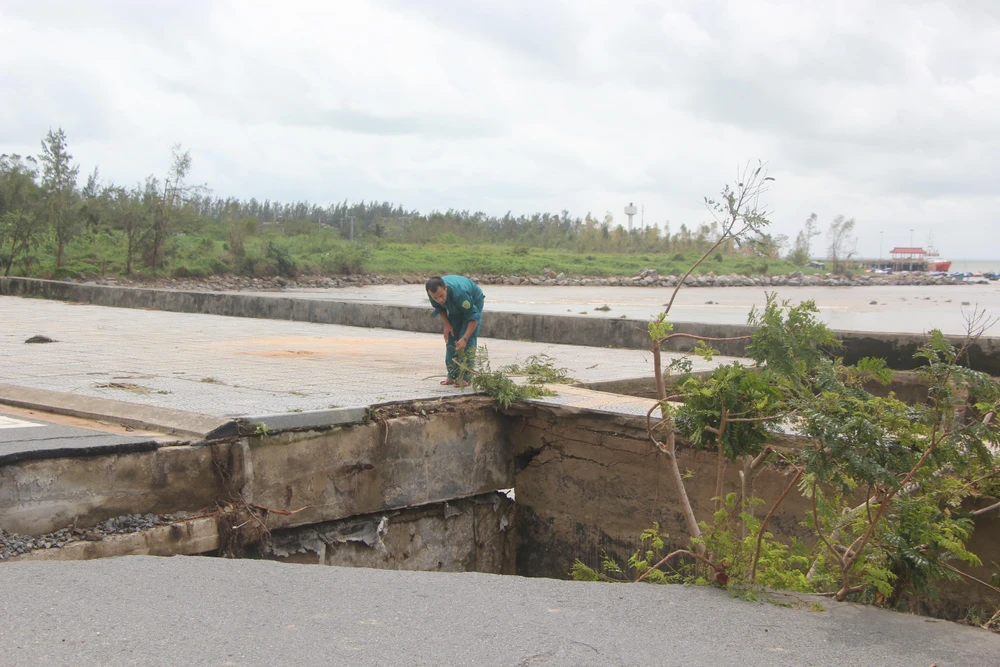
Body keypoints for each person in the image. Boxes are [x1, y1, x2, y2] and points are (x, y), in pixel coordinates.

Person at [425, 275, 485, 387]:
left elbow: (473, 317)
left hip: (473, 302)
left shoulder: (460, 293)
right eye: (436, 298)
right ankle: (451, 375)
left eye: (441, 296)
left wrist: (465, 337)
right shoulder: (432, 294)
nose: (440, 300)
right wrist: (447, 325)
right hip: (454, 306)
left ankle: (466, 377)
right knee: (452, 338)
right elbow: (440, 308)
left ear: (446, 288)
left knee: (467, 341)